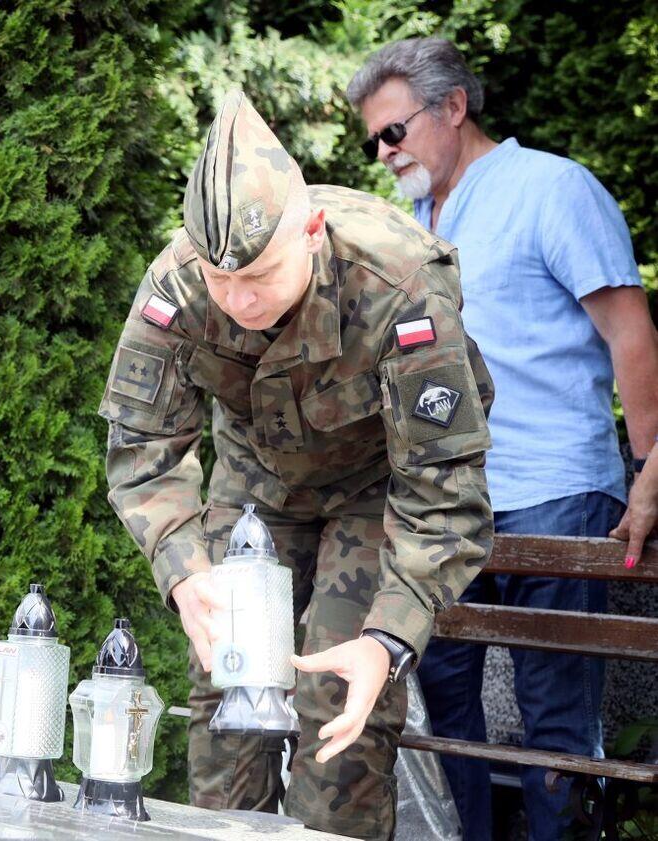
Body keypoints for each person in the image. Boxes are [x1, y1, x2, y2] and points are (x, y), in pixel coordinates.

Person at [99, 90, 494, 839]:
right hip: (256, 481)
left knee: (342, 712)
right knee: (228, 700)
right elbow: (143, 449)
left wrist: (387, 640)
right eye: (221, 281)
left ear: (311, 231)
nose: (238, 300)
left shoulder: (400, 285)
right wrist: (184, 571)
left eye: (259, 277)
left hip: (376, 490)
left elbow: (444, 492)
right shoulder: (178, 285)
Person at [347, 38, 658, 840]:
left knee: (556, 721)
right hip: (444, 507)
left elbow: (631, 332)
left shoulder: (551, 188)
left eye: (393, 131)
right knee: (439, 709)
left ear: (453, 106)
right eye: (373, 139)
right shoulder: (408, 225)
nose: (383, 152)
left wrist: (650, 470)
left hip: (555, 492)